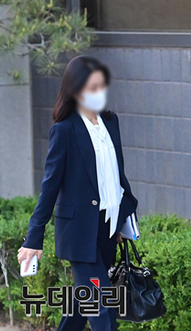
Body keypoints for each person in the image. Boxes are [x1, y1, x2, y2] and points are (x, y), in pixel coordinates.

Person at [18, 55, 138, 330]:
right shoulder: (64, 130)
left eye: (101, 86)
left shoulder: (111, 122)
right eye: (92, 87)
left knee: (82, 304)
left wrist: (122, 219)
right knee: (103, 309)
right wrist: (34, 237)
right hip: (79, 233)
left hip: (107, 229)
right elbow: (50, 187)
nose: (99, 92)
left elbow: (116, 176)